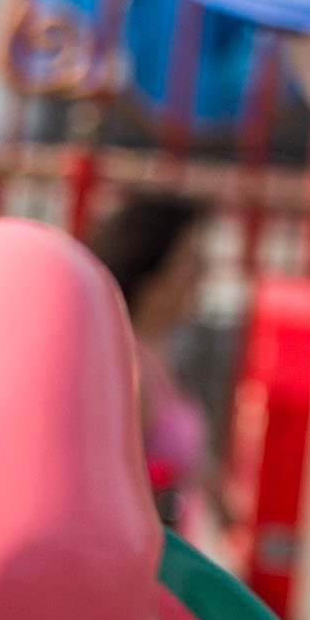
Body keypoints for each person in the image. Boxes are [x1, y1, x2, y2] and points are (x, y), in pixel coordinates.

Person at [82, 193, 225, 548]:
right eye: (190, 263)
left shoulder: (161, 356)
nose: (202, 276)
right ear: (150, 271)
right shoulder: (128, 367)